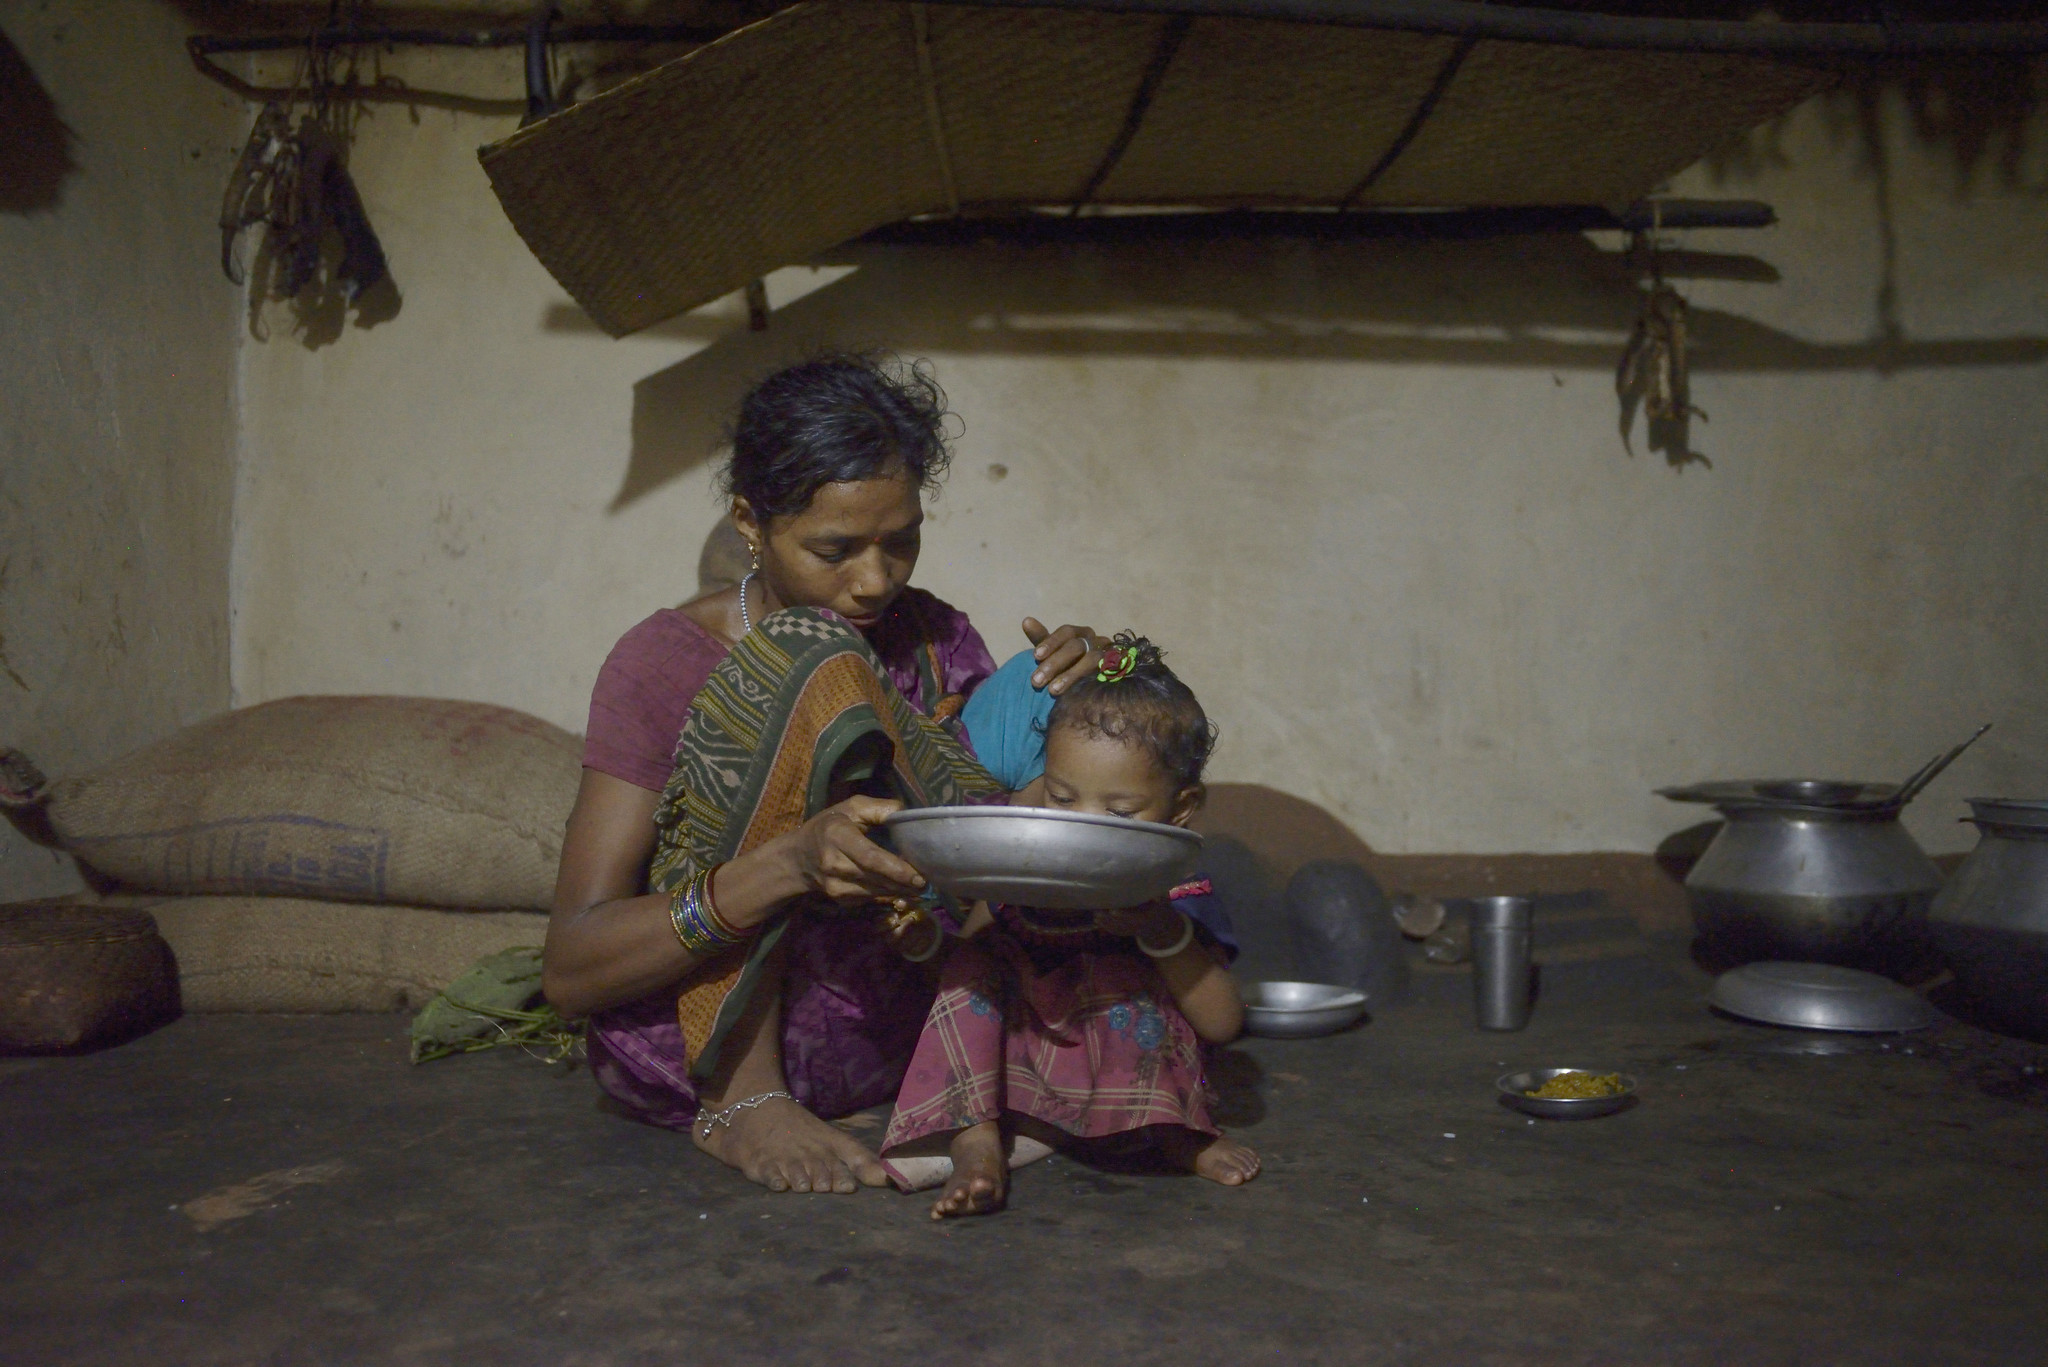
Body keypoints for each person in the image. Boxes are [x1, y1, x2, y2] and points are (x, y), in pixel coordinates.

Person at [544, 353, 1103, 1197]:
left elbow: (993, 842)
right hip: (701, 1047)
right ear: (749, 522)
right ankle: (745, 1091)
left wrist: (1090, 692)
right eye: (833, 549)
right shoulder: (661, 662)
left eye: (902, 541)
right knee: (809, 664)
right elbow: (572, 967)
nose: (874, 580)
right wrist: (784, 868)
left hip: (905, 1034)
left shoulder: (934, 639)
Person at [880, 634, 1262, 1219]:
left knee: (1125, 985)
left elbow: (1222, 1022)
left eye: (1119, 813)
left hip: (1121, 1070)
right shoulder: (1018, 880)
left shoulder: (1172, 892)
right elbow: (959, 973)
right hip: (1023, 1071)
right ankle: (975, 1137)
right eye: (1061, 797)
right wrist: (925, 943)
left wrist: (1160, 932)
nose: (1085, 826)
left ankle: (1175, 1134)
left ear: (1182, 808)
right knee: (975, 969)